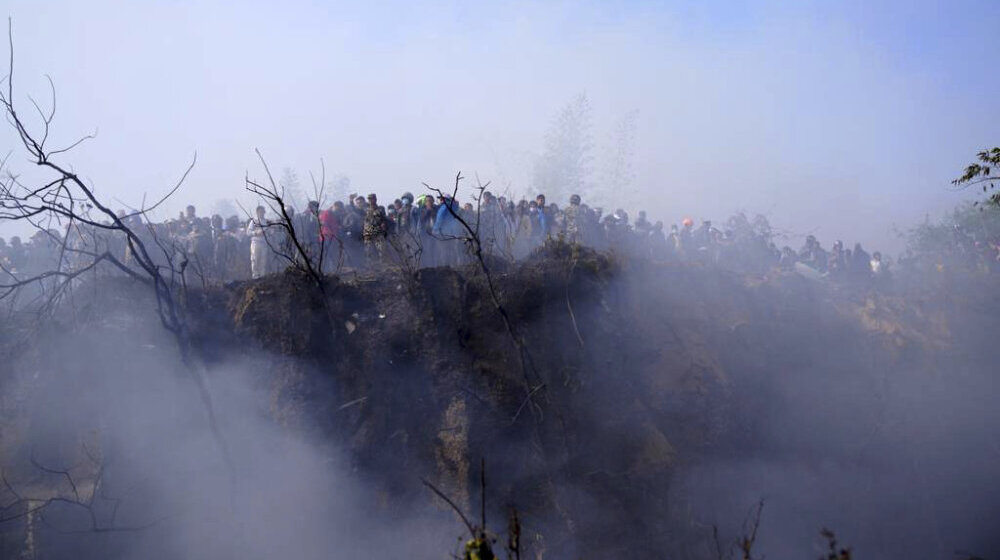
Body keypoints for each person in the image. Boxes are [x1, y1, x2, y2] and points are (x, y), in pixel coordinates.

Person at [247, 206, 268, 279]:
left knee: (263, 260)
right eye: (261, 211)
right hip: (255, 243)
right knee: (255, 259)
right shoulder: (254, 221)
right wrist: (256, 233)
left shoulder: (266, 221)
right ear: (257, 212)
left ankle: (262, 276)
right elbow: (248, 232)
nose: (262, 213)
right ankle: (255, 276)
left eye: (263, 211)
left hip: (264, 243)